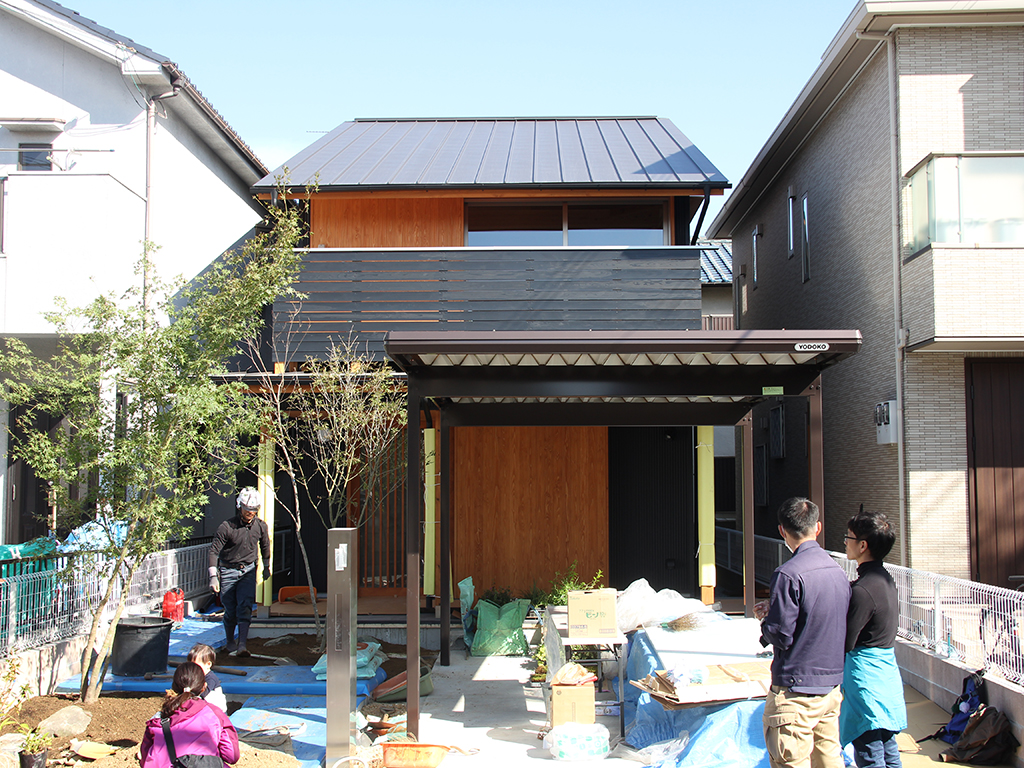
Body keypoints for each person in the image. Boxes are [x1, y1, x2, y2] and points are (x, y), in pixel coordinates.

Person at [756, 497, 851, 768]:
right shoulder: (837, 571)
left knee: (791, 761)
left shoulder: (788, 574)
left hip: (796, 691)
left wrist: (766, 621)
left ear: (782, 531)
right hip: (830, 688)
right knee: (829, 760)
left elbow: (781, 634)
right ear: (817, 528)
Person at [841, 511, 907, 767]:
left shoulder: (863, 590)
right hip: (886, 676)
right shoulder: (885, 581)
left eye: (849, 537)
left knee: (869, 752)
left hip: (866, 679)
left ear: (863, 545)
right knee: (888, 748)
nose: (845, 542)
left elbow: (845, 642)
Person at [138, 662, 239, 768]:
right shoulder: (215, 714)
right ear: (204, 687)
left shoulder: (158, 719)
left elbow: (145, 760)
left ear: (174, 687)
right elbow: (232, 756)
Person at [208, 487, 271, 657]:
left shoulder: (261, 527)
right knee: (230, 607)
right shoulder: (227, 527)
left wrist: (267, 566)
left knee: (245, 605)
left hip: (248, 570)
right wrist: (213, 576)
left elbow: (265, 546)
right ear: (239, 506)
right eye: (247, 510)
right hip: (228, 570)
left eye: (253, 510)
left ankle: (242, 644)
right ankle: (230, 642)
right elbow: (214, 551)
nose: (250, 513)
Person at [187, 643, 228, 713]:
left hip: (217, 709)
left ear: (208, 664)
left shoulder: (211, 678)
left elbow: (204, 693)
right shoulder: (197, 675)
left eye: (196, 666)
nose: (193, 669)